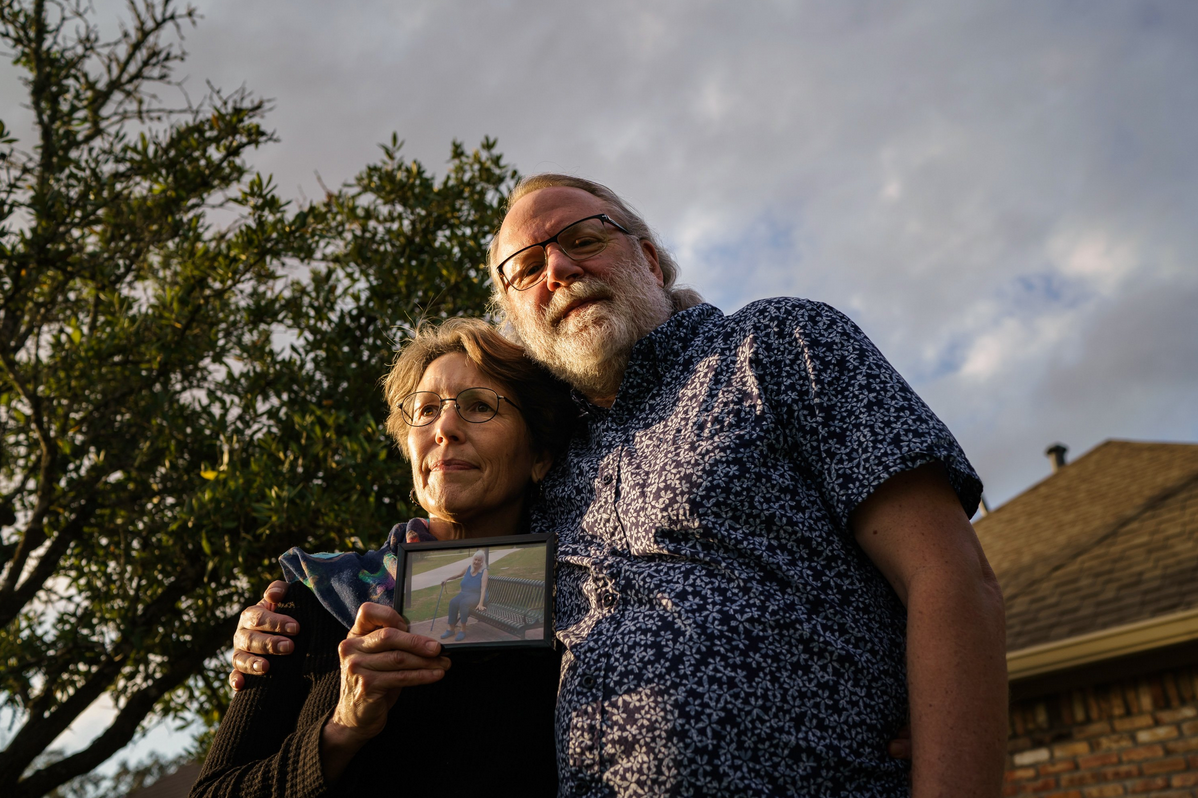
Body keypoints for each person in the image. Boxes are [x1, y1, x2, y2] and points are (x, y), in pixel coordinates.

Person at [233, 175, 1008, 797]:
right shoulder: (551, 468)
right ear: (516, 317)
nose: (558, 270)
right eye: (526, 268)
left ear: (652, 259)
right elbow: (422, 588)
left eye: (582, 239)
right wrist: (283, 627)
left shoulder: (775, 344)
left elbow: (949, 575)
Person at [191, 319, 575, 797]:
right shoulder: (315, 599)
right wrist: (341, 729)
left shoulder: (579, 602)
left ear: (539, 454)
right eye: (426, 409)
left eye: (480, 406)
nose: (445, 428)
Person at [439, 550, 489, 641]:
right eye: (475, 559)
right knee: (453, 602)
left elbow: (483, 588)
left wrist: (481, 603)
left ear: (482, 561)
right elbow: (458, 575)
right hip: (465, 593)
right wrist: (447, 579)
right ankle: (450, 629)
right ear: (473, 559)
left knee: (464, 603)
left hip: (477, 595)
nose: (476, 562)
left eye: (479, 560)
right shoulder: (469, 568)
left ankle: (463, 630)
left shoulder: (484, 571)